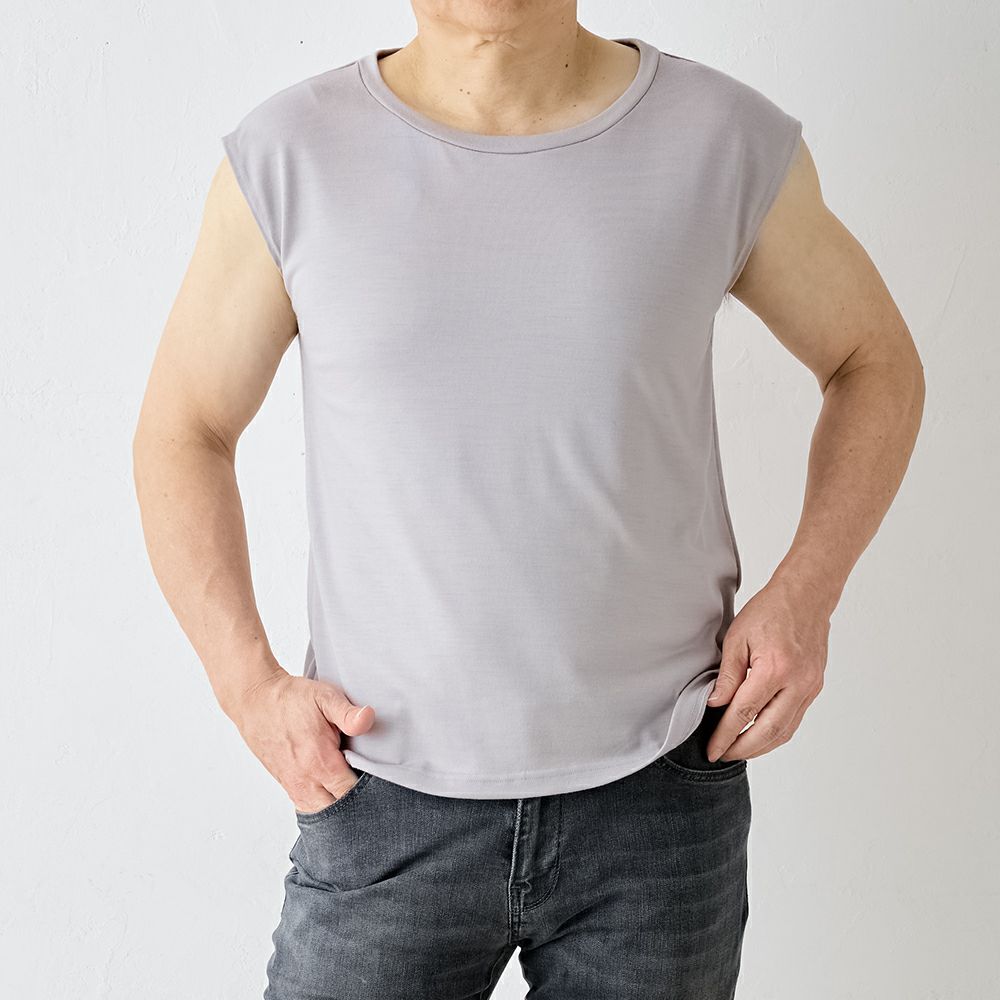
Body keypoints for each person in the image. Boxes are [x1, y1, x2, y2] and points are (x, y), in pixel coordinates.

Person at [132, 4, 924, 998]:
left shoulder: (720, 139)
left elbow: (872, 362)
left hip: (660, 795)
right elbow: (184, 431)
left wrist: (806, 594)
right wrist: (247, 685)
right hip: (380, 794)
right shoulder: (290, 156)